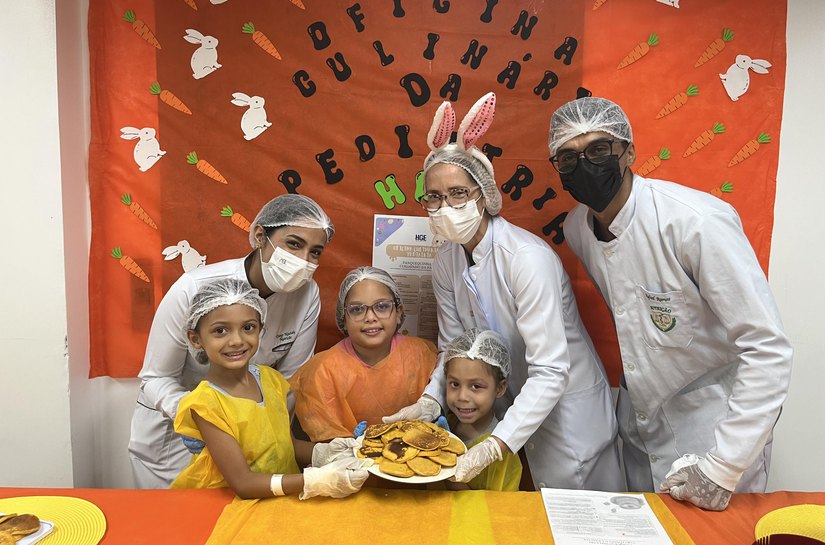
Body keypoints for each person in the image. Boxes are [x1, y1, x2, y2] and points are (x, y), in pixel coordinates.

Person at [549, 96, 793, 510]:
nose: (585, 164)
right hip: (641, 420)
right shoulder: (578, 228)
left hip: (714, 424)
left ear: (629, 152)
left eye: (598, 149)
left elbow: (768, 348)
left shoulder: (694, 222)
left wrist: (724, 465)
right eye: (568, 157)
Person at [386, 92, 623, 491]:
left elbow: (550, 370)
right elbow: (452, 348)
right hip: (513, 404)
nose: (445, 205)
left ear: (484, 194)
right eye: (434, 196)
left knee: (584, 518)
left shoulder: (525, 258)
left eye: (458, 193)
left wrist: (495, 443)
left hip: (569, 414)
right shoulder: (446, 261)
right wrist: (430, 400)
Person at [128, 194, 335, 489]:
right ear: (260, 235)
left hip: (250, 438)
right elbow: (157, 376)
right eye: (293, 243)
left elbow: (289, 381)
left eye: (315, 252)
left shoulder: (307, 294)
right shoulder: (193, 288)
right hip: (176, 439)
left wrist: (273, 440)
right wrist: (199, 417)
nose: (303, 260)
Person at [170, 278, 370, 499]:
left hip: (278, 499)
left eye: (248, 327)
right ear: (195, 339)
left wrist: (332, 453)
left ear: (261, 329)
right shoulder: (205, 404)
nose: (236, 340)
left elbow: (285, 445)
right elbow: (244, 484)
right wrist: (314, 480)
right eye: (220, 331)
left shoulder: (270, 380)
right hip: (227, 506)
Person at [290, 266, 437, 442]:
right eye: (357, 309)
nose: (370, 317)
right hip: (346, 465)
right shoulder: (322, 370)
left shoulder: (422, 354)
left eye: (382, 306)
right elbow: (327, 444)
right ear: (343, 318)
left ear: (398, 313)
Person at [442, 328, 522, 491]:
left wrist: (452, 478)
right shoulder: (445, 426)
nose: (462, 396)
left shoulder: (502, 455)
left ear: (500, 388)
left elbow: (500, 510)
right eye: (454, 384)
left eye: (476, 386)